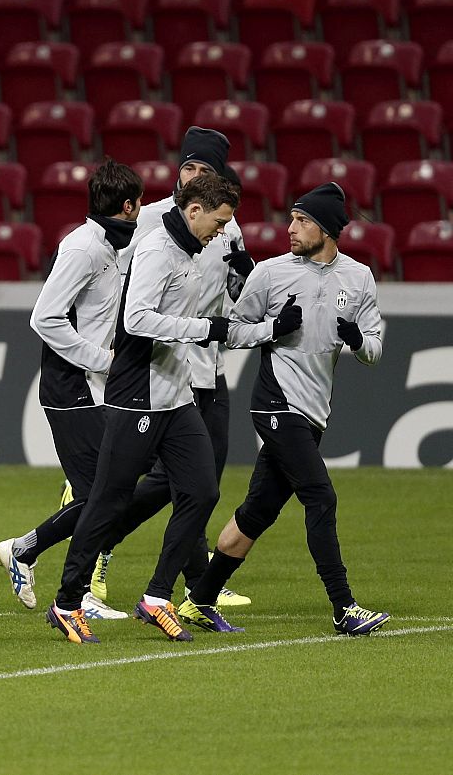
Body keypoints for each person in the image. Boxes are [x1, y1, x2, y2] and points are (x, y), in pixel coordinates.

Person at [47, 173, 296, 644]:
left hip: (176, 395)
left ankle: (157, 598)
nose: (222, 232)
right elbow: (137, 319)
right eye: (219, 222)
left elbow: (215, 327)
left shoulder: (194, 253)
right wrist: (204, 327)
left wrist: (271, 329)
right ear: (195, 210)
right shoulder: (158, 249)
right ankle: (66, 601)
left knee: (202, 491)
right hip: (138, 392)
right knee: (108, 499)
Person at [183, 183, 391, 636]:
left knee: (258, 512)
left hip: (314, 410)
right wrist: (272, 329)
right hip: (275, 403)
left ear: (328, 229)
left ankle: (198, 599)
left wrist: (357, 341)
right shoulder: (271, 274)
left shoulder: (359, 278)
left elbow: (375, 347)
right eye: (292, 218)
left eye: (303, 221)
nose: (290, 228)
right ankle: (344, 607)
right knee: (321, 496)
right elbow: (233, 329)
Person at [89, 128, 254, 611]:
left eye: (203, 170)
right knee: (165, 481)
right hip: (157, 371)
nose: (193, 177)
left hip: (209, 370)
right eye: (188, 167)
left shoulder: (229, 226)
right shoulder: (153, 222)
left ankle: (195, 582)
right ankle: (102, 544)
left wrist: (247, 278)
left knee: (201, 483)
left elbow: (236, 298)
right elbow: (122, 292)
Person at [0, 160, 141, 620]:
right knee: (105, 496)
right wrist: (104, 361)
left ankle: (25, 551)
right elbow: (44, 318)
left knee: (104, 495)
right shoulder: (82, 249)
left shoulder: (114, 244)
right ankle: (69, 588)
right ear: (129, 205)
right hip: (72, 387)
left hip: (97, 387)